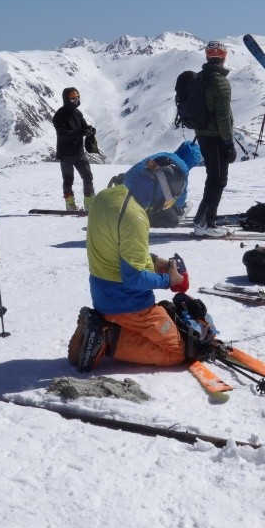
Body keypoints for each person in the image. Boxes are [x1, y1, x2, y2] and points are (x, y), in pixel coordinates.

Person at [69, 152, 193, 370]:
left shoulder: (105, 197)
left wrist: (154, 261)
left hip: (103, 296)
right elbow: (133, 278)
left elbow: (118, 248)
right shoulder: (134, 216)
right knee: (176, 352)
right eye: (172, 192)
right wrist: (168, 280)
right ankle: (107, 340)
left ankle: (107, 326)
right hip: (130, 304)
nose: (168, 201)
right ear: (159, 186)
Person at [190, 41, 235, 237]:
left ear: (207, 57)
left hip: (202, 134)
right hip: (216, 137)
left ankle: (204, 220)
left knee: (213, 178)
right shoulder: (220, 82)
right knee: (217, 180)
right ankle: (205, 223)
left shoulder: (201, 77)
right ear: (224, 57)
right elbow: (223, 116)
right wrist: (229, 142)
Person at [52, 87, 95, 211]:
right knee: (68, 180)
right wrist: (82, 132)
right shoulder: (59, 116)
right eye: (73, 98)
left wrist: (90, 130)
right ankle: (70, 205)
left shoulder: (77, 113)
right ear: (66, 99)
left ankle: (89, 203)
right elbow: (62, 134)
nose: (76, 100)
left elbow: (84, 126)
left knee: (88, 177)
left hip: (79, 153)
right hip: (65, 154)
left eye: (77, 97)